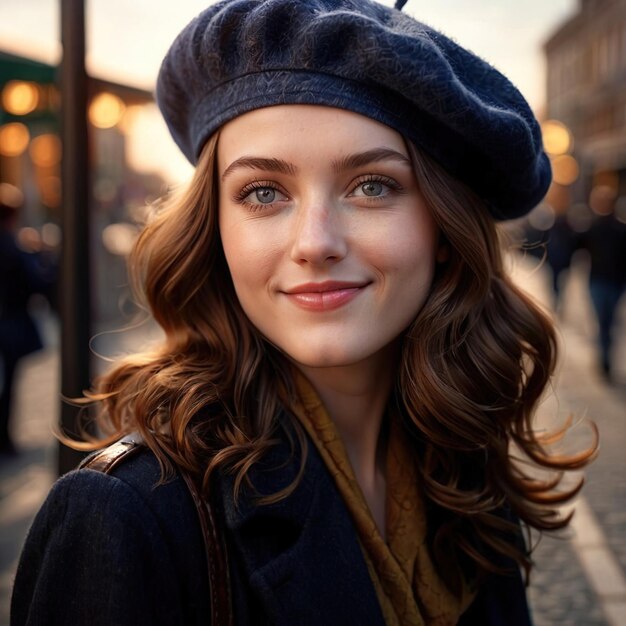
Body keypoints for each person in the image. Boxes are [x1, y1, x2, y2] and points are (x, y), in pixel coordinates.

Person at [12, 1, 597, 624]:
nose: (315, 241)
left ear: (444, 229)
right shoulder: (127, 515)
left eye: (372, 185)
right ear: (215, 230)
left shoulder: (467, 465)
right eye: (264, 192)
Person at [0, 184, 47, 457]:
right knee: (9, 384)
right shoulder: (12, 247)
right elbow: (36, 283)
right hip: (10, 324)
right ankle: (4, 438)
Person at [580, 185, 626, 380]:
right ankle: (604, 357)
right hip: (600, 281)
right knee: (604, 321)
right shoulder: (592, 227)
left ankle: (606, 357)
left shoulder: (618, 229)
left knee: (606, 321)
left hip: (611, 282)